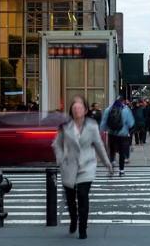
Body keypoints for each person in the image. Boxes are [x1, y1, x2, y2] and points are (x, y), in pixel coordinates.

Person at [52, 96, 113, 240]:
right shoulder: (65, 127)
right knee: (71, 198)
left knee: (83, 196)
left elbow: (98, 145)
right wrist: (61, 159)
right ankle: (73, 218)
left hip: (87, 166)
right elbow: (56, 145)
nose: (77, 111)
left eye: (79, 108)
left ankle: (82, 228)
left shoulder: (92, 126)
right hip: (69, 166)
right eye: (74, 108)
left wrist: (107, 163)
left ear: (85, 110)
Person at [100, 95, 134, 176]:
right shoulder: (126, 110)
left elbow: (103, 123)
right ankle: (121, 170)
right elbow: (131, 123)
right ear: (122, 102)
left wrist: (101, 132)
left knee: (112, 150)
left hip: (111, 133)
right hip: (122, 134)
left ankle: (112, 163)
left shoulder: (108, 109)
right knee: (122, 152)